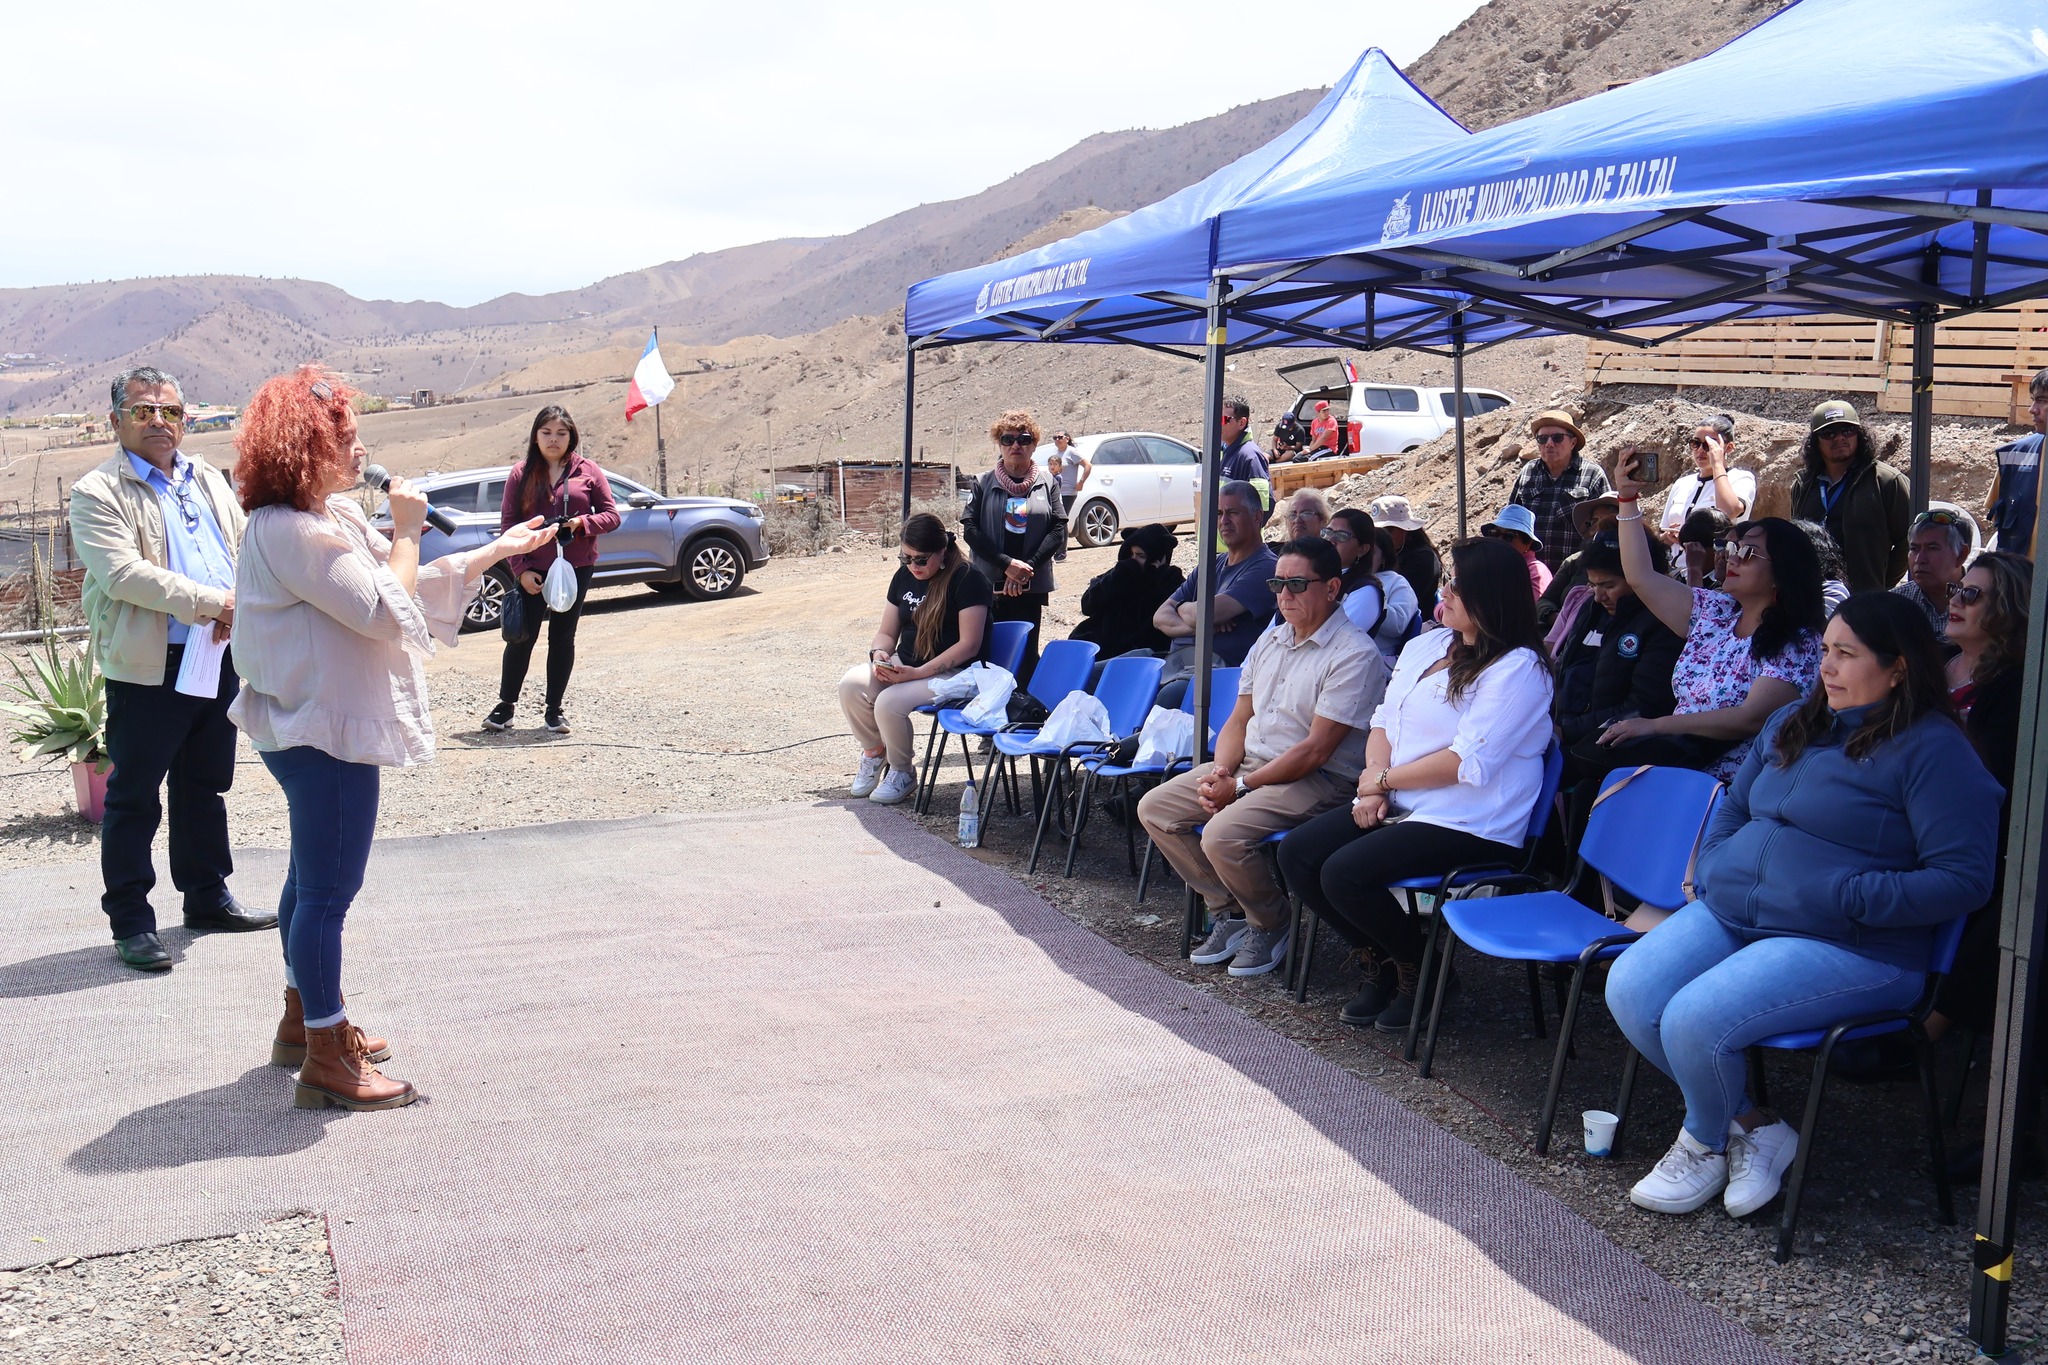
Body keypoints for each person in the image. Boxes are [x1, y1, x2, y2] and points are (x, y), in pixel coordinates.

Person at [1606, 592, 2000, 1219]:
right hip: (1742, 911)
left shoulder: (1936, 751)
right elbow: (1735, 802)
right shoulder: (1795, 718)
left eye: (1847, 654)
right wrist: (1714, 863)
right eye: (1824, 651)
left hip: (1854, 943)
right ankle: (1756, 1129)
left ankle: (1703, 1142)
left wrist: (1846, 896)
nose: (1827, 667)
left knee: (1692, 1019)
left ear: (1898, 667)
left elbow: (1964, 880)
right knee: (1630, 987)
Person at [229, 367, 556, 1110]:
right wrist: (407, 529)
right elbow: (385, 609)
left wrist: (493, 552)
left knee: (309, 881)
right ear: (306, 447)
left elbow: (399, 585)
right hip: (324, 730)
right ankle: (324, 1051)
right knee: (326, 891)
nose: (361, 449)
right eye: (346, 438)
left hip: (310, 721)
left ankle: (302, 1017)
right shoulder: (292, 530)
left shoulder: (325, 518)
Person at [1278, 537, 1554, 1032]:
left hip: (1471, 820)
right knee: (1298, 854)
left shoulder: (1520, 668)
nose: (1442, 593)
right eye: (1446, 582)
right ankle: (1383, 961)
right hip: (1402, 800)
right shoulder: (1429, 643)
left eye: (1456, 587)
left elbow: (1469, 761)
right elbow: (1385, 718)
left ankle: (1423, 970)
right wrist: (1375, 786)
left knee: (1344, 872)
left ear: (1490, 597)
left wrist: (1380, 780)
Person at [68, 365, 271, 972]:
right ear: (116, 421)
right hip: (150, 666)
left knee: (204, 786)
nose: (159, 421)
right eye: (143, 411)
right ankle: (131, 921)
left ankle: (207, 897)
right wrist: (216, 602)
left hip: (216, 653)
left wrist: (243, 607)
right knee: (133, 798)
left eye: (171, 411)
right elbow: (124, 575)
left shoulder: (206, 478)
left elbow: (244, 548)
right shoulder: (97, 493)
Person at [1139, 536, 1388, 980]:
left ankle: (1271, 922)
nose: (1284, 595)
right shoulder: (1272, 639)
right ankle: (1230, 911)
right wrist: (1222, 771)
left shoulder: (1353, 653)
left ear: (1332, 588)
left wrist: (1237, 787)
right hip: (1252, 766)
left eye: (1296, 583)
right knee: (1155, 807)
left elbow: (1316, 750)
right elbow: (1239, 718)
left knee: (1221, 834)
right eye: (1277, 583)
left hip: (1321, 780)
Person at [1594, 451, 1826, 788]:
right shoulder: (1715, 612)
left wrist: (1654, 725)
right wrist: (1627, 500)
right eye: (1729, 549)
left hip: (1735, 794)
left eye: (1745, 553)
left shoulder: (1799, 640)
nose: (1729, 558)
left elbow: (1749, 719)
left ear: (1782, 572)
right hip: (1676, 770)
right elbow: (1641, 577)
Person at [840, 513, 992, 807]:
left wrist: (917, 672)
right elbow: (886, 632)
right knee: (850, 685)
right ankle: (873, 752)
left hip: (956, 673)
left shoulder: (968, 579)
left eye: (920, 559)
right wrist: (879, 655)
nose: (913, 566)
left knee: (889, 702)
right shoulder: (904, 576)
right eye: (905, 558)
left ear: (942, 551)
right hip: (906, 665)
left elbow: (969, 645)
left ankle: (902, 771)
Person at [487, 405, 620, 735]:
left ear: (571, 436)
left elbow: (611, 516)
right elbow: (508, 524)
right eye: (546, 432)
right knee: (521, 637)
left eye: (561, 433)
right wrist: (520, 569)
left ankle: (554, 711)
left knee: (562, 638)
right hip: (533, 568)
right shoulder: (520, 474)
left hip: (575, 568)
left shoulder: (588, 471)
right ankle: (505, 708)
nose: (553, 439)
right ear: (535, 436)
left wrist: (580, 523)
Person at [1152, 481, 1278, 704]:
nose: (1223, 521)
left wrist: (1182, 608)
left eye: (1232, 512)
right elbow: (1160, 617)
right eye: (1219, 513)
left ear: (1258, 517)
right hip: (1178, 661)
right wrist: (1201, 627)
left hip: (1218, 670)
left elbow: (1203, 614)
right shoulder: (1211, 565)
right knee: (1102, 671)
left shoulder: (1266, 567)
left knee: (1166, 696)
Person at [962, 409, 1064, 684]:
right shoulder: (982, 482)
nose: (1016, 445)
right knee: (989, 657)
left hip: (1031, 584)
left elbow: (1057, 528)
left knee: (1026, 656)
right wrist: (1007, 564)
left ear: (1034, 444)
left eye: (1024, 439)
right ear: (998, 443)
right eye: (1008, 439)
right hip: (989, 585)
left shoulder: (1049, 482)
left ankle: (1023, 716)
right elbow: (970, 530)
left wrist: (1026, 567)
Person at [1553, 538, 1683, 752]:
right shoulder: (1591, 610)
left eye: (1609, 585)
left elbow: (1643, 707)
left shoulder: (1664, 624)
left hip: (1606, 748)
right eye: (1593, 585)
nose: (1598, 597)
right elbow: (1564, 669)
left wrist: (1567, 732)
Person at [1789, 399, 1910, 594]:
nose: (1839, 438)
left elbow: (1909, 539)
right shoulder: (1803, 484)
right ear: (1815, 441)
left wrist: (1881, 584)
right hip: (1811, 597)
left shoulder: (1886, 481)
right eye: (1829, 433)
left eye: (1847, 430)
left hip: (1863, 602)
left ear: (1860, 435)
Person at [1509, 409, 1613, 572]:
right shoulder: (1528, 472)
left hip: (1575, 574)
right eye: (1542, 439)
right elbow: (1511, 522)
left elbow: (1608, 528)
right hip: (1530, 573)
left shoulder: (1592, 474)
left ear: (1573, 443)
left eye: (1557, 438)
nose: (1549, 443)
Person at [1070, 523, 1183, 660]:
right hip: (1102, 648)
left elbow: (1183, 610)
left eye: (1140, 556)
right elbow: (1087, 606)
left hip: (1139, 656)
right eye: (1131, 554)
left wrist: (1163, 576)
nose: (1133, 560)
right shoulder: (1118, 575)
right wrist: (1115, 579)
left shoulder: (1170, 581)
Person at [1326, 508, 1418, 658]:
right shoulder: (1332, 575)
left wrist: (1376, 603)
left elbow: (1398, 626)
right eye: (1327, 533)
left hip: (1376, 658)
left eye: (1372, 552)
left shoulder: (1394, 582)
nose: (1331, 541)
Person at [1658, 415, 1756, 543]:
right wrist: (1668, 537)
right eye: (1696, 443)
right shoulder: (1682, 483)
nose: (1700, 450)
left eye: (1709, 445)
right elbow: (1662, 535)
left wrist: (1717, 464)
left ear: (1729, 447)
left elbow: (1729, 511)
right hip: (1676, 562)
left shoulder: (1740, 478)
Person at [1987, 368, 2045, 560]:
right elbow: (1997, 516)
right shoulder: (2015, 456)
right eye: (2034, 399)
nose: (2032, 409)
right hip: (2022, 582)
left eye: (2043, 400)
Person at [1894, 508, 1971, 640]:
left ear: (1961, 555)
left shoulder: (1983, 602)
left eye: (1932, 548)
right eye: (1914, 549)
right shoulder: (1895, 604)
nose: (1919, 559)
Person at [1370, 494, 1442, 619]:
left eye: (1387, 530)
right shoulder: (1385, 553)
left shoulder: (1423, 558)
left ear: (1404, 529)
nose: (1380, 536)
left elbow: (1403, 604)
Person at [1481, 504, 1552, 598]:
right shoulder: (1493, 567)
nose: (1499, 540)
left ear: (1528, 543)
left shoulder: (1536, 571)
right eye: (1495, 533)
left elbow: (1532, 609)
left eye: (1509, 536)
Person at [1045, 431, 1090, 561]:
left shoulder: (1072, 452)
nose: (1057, 440)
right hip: (1057, 492)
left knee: (1061, 520)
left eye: (1060, 437)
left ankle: (1062, 552)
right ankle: (1056, 550)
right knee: (1055, 520)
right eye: (1055, 437)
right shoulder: (1057, 454)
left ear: (1067, 438)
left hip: (1068, 492)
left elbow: (1088, 465)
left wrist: (1081, 482)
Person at [1674, 508, 1733, 590]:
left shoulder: (1723, 583)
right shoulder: (1678, 576)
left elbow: (1695, 602)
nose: (1690, 556)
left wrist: (1694, 570)